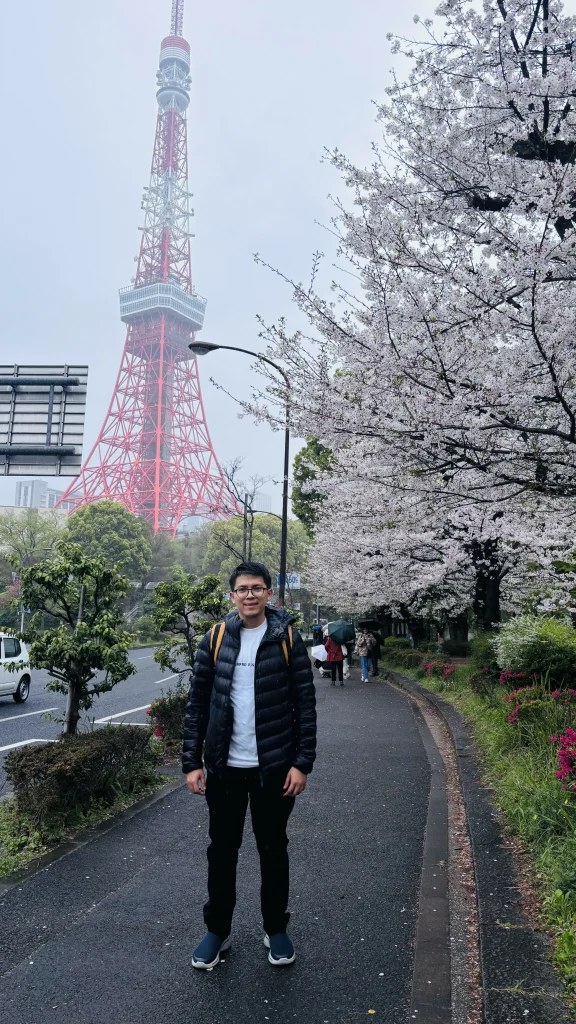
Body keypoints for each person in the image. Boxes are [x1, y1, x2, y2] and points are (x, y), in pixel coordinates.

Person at [183, 561, 317, 971]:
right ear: (232, 596)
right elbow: (197, 703)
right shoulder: (216, 637)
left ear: (268, 594)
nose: (250, 595)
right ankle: (217, 931)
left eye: (257, 588)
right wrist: (192, 762)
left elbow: (305, 705)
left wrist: (302, 764)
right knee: (221, 851)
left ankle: (275, 928)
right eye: (242, 589)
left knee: (273, 849)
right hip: (224, 768)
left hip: (274, 768)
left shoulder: (287, 638)